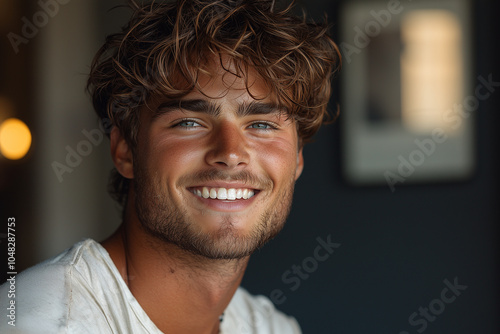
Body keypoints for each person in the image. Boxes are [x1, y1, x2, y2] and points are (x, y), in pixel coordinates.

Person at [0, 0, 340, 332]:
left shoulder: (272, 327)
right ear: (125, 152)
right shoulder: (40, 321)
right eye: (189, 122)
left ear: (296, 159)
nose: (231, 153)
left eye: (262, 125)